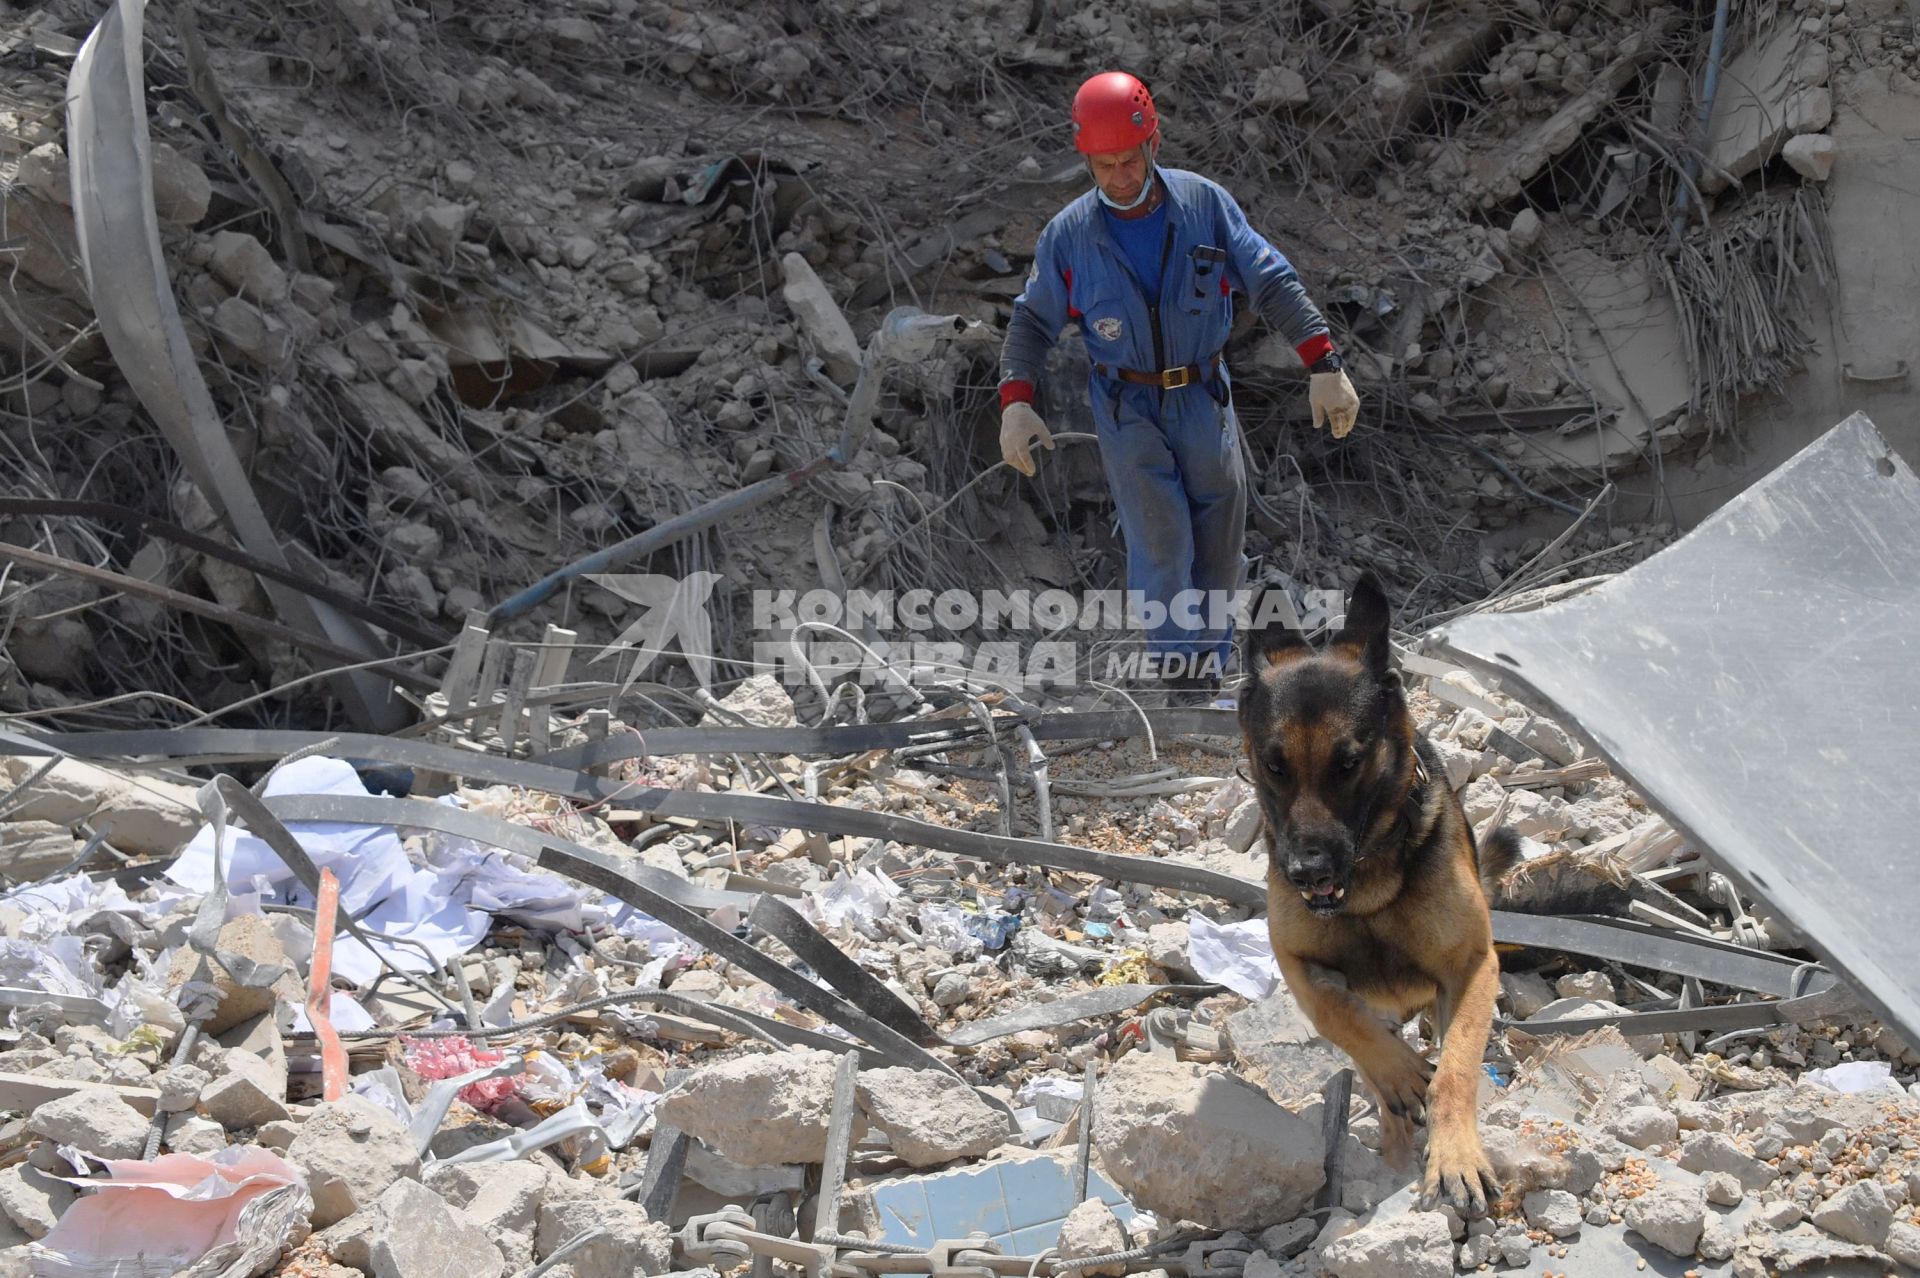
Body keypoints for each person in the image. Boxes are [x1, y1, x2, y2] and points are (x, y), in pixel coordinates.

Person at [997, 70, 1360, 697]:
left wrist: (1324, 363)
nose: (1118, 177)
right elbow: (1032, 319)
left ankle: (1212, 669)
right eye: (1103, 165)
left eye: (1128, 160)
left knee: (1219, 534)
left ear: (1152, 143)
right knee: (1161, 535)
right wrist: (1016, 404)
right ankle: (1179, 676)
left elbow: (1271, 280)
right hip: (1125, 401)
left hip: (1201, 394)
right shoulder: (1071, 235)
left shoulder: (1205, 206)